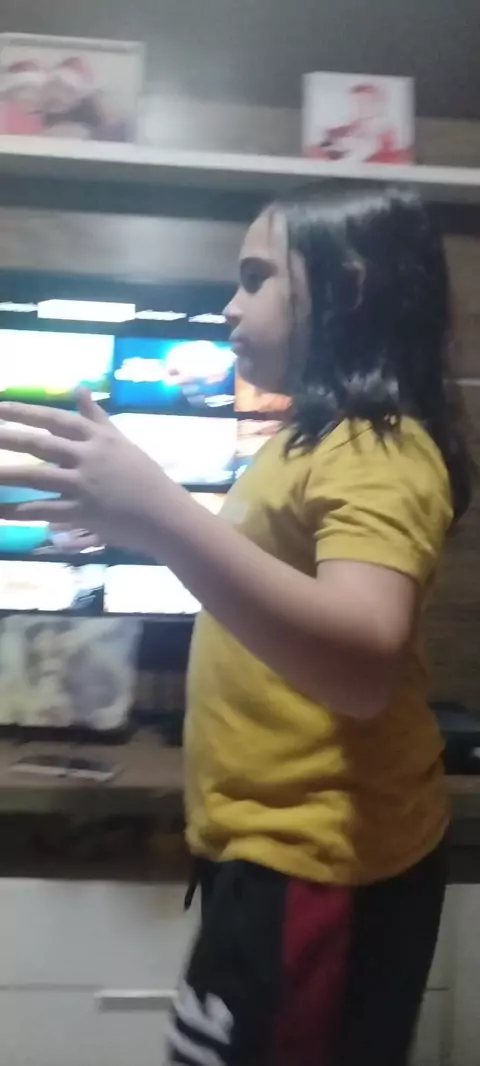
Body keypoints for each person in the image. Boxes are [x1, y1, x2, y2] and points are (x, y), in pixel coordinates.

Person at [0, 186, 471, 1066]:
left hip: (325, 866)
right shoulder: (307, 439)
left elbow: (364, 665)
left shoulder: (379, 446)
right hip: (276, 857)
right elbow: (263, 586)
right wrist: (138, 527)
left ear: (348, 289)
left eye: (255, 279)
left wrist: (162, 512)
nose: (228, 305)